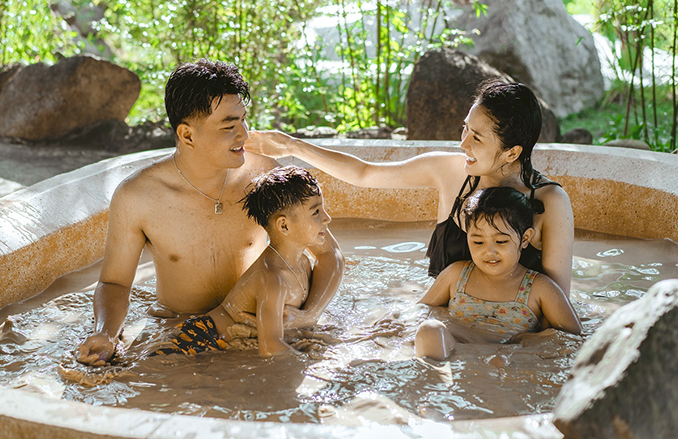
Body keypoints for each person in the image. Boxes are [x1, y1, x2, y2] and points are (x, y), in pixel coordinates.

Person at [76, 60, 344, 366]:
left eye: (244, 120)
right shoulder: (138, 197)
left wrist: (310, 313)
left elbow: (327, 253)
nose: (244, 134)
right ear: (187, 135)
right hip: (183, 332)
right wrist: (106, 335)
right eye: (229, 126)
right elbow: (115, 284)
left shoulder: (265, 177)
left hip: (264, 328)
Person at [245, 80, 574, 296]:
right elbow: (364, 174)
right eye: (465, 129)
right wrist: (293, 146)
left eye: (477, 137)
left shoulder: (548, 204)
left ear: (512, 152)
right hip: (444, 322)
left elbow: (556, 305)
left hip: (509, 335)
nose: (463, 143)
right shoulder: (450, 173)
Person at [154, 166, 337, 357]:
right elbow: (271, 348)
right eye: (316, 212)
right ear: (284, 225)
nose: (327, 218)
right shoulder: (274, 279)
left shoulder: (304, 263)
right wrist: (313, 362)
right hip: (199, 339)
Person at [415, 187, 582, 360]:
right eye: (478, 241)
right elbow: (421, 308)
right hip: (454, 352)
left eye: (501, 241)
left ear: (525, 239)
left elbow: (573, 337)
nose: (489, 251)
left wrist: (534, 339)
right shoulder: (457, 275)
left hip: (507, 358)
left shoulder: (539, 287)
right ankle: (434, 380)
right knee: (429, 329)